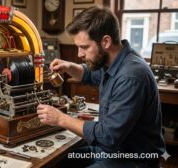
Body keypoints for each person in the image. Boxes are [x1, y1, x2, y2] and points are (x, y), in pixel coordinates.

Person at [37, 6, 165, 168]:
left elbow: (108, 137)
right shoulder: (113, 61)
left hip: (134, 159)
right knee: (56, 163)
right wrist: (68, 66)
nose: (79, 54)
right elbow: (89, 75)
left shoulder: (131, 76)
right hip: (110, 151)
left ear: (105, 41)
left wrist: (60, 118)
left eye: (84, 47)